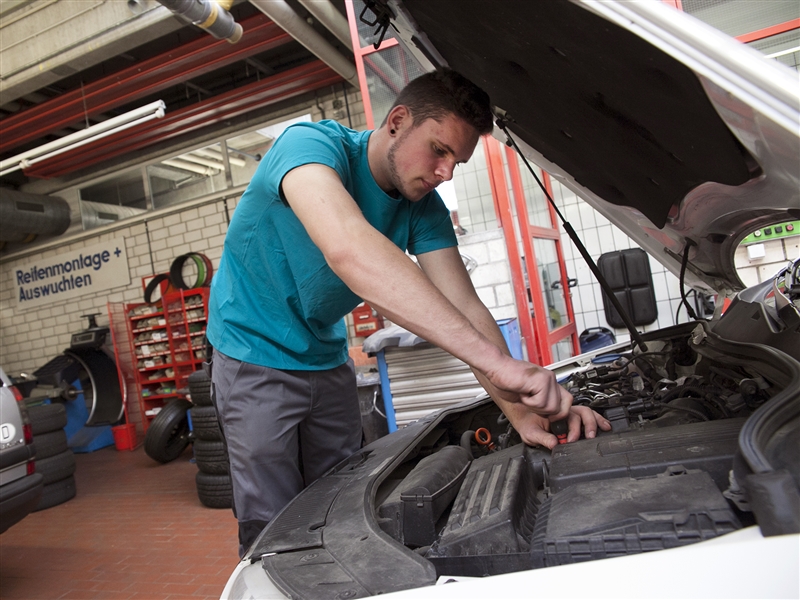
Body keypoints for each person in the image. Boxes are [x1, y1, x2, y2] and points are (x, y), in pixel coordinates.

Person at [206, 68, 610, 556]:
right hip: (252, 356)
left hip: (324, 357)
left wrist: (520, 412)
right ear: (397, 120)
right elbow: (349, 250)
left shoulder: (422, 207)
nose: (445, 172)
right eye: (439, 150)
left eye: (456, 162)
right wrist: (498, 364)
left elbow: (464, 305)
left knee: (338, 508)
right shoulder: (308, 147)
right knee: (271, 524)